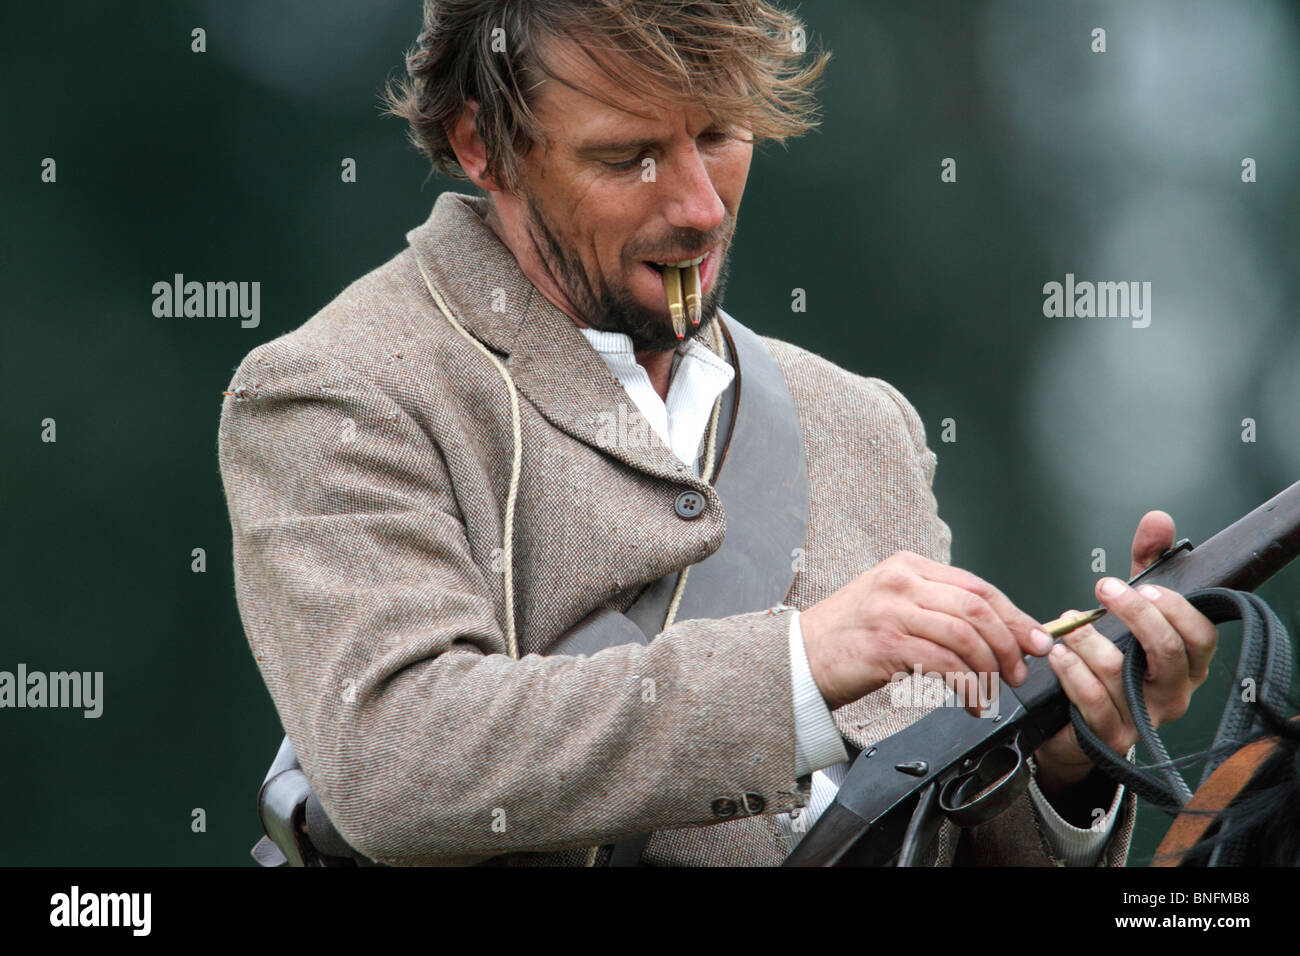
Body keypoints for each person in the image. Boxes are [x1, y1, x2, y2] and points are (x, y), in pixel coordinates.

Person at [217, 0, 1219, 866]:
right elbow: (396, 759)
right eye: (629, 155)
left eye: (724, 136)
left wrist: (1065, 759)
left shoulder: (860, 422)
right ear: (484, 144)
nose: (700, 207)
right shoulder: (338, 387)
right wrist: (795, 670)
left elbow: (922, 822)